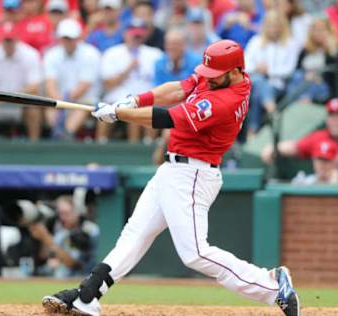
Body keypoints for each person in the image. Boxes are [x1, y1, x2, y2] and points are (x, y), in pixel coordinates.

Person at [42, 39, 300, 316]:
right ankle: (87, 295)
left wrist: (118, 114)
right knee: (134, 235)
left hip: (193, 175)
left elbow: (165, 119)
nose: (208, 79)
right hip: (173, 169)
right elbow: (178, 88)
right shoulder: (221, 77)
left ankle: (272, 286)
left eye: (215, 76)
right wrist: (134, 99)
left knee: (196, 253)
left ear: (236, 71)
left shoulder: (225, 100)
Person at [97, 17, 161, 143]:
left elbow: (160, 80)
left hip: (145, 96)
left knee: (148, 107)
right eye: (133, 35)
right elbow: (107, 84)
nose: (135, 38)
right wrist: (128, 69)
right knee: (107, 108)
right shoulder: (112, 53)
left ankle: (147, 145)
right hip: (117, 96)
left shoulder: (155, 54)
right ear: (125, 33)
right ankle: (101, 144)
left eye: (138, 35)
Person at [0, 22, 43, 140]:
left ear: (17, 39)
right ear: (0, 39)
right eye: (6, 40)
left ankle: (34, 146)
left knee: (34, 106)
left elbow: (34, 86)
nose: (8, 44)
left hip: (21, 102)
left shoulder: (30, 54)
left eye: (11, 40)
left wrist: (11, 97)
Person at [262, 98, 338, 166]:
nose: (336, 121)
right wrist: (274, 148)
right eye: (332, 116)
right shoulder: (318, 137)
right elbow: (295, 147)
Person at [244, 10, 300, 137]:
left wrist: (269, 71)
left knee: (259, 90)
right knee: (258, 81)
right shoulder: (256, 41)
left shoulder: (290, 43)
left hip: (278, 85)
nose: (273, 29)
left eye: (276, 25)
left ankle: (252, 132)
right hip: (255, 83)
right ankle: (273, 111)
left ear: (282, 26)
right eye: (270, 25)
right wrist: (257, 67)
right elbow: (244, 64)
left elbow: (289, 69)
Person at [43, 18, 101, 139]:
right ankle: (56, 136)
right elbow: (50, 84)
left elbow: (84, 86)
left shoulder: (91, 53)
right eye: (65, 38)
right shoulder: (51, 55)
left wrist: (65, 103)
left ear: (78, 38)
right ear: (60, 39)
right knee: (49, 109)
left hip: (85, 100)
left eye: (71, 38)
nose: (68, 42)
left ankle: (66, 136)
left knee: (81, 108)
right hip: (59, 100)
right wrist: (60, 102)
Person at [31, 196, 99, 278]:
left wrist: (45, 237)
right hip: (58, 279)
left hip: (82, 279)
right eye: (60, 213)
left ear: (76, 212)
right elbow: (46, 255)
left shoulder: (89, 230)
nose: (62, 218)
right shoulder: (62, 231)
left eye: (66, 213)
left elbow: (73, 264)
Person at [284, 17, 338, 104]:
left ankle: (300, 101)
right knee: (297, 76)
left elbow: (334, 76)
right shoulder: (305, 50)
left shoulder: (334, 51)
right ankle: (297, 101)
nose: (318, 33)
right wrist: (305, 75)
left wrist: (330, 48)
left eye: (322, 30)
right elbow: (297, 69)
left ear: (329, 32)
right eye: (316, 30)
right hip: (304, 84)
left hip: (322, 87)